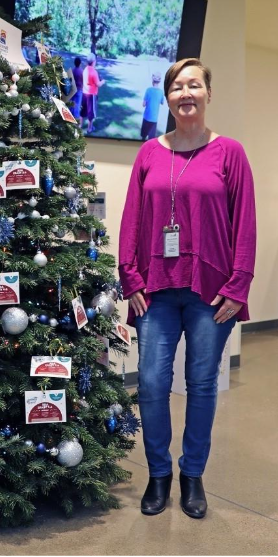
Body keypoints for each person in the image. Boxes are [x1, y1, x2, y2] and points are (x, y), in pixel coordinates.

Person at [118, 58, 256, 519]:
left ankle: (192, 475)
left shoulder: (230, 153)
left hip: (211, 292)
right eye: (177, 86)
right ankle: (159, 475)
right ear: (168, 97)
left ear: (208, 94)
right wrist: (130, 276)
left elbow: (246, 224)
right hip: (155, 289)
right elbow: (131, 221)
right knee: (153, 383)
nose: (185, 93)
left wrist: (239, 285)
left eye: (194, 85)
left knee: (201, 384)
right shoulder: (149, 153)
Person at [81, 53, 105, 133]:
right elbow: (98, 84)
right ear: (94, 61)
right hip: (91, 95)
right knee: (91, 113)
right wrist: (103, 81)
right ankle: (89, 128)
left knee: (83, 111)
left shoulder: (85, 70)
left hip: (84, 93)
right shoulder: (94, 72)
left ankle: (80, 125)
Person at [141, 72, 164, 140]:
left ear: (152, 81)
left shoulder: (148, 90)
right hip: (154, 119)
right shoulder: (161, 92)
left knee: (143, 136)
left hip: (146, 117)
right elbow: (162, 102)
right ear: (159, 81)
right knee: (151, 139)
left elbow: (143, 104)